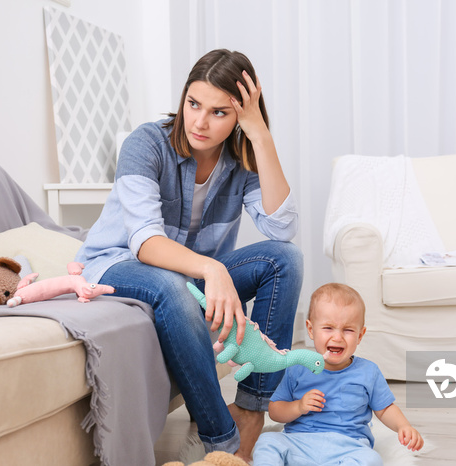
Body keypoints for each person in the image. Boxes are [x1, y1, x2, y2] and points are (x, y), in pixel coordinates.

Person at [74, 49, 303, 461]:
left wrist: (260, 136)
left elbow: (281, 229)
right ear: (183, 98)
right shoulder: (145, 144)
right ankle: (222, 442)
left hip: (189, 273)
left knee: (285, 260)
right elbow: (144, 241)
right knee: (172, 285)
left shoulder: (239, 159)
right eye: (193, 104)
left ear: (238, 118)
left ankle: (251, 411)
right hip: (120, 262)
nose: (199, 121)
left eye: (219, 112)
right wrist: (211, 268)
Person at [253, 283, 423, 465]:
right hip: (299, 443)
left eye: (348, 330)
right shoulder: (297, 369)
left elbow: (385, 409)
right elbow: (275, 411)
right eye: (328, 328)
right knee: (267, 441)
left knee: (371, 459)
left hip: (348, 447)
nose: (337, 337)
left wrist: (403, 426)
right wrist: (299, 406)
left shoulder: (368, 371)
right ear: (311, 330)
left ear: (360, 335)